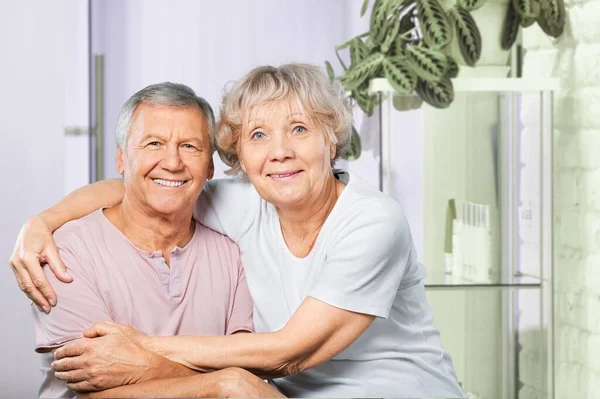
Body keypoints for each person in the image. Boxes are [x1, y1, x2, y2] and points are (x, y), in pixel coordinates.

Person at [10, 64, 466, 398]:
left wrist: (144, 353)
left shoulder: (373, 222)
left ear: (331, 140)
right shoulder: (245, 203)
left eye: (300, 129)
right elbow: (145, 187)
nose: (280, 151)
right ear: (237, 157)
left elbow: (289, 354)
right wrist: (41, 223)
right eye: (259, 136)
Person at [26, 82, 282, 398]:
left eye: (190, 146)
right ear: (121, 159)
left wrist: (148, 364)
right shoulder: (66, 252)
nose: (172, 162)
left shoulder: (233, 251)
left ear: (210, 167)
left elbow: (246, 370)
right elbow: (96, 388)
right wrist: (221, 384)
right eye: (153, 144)